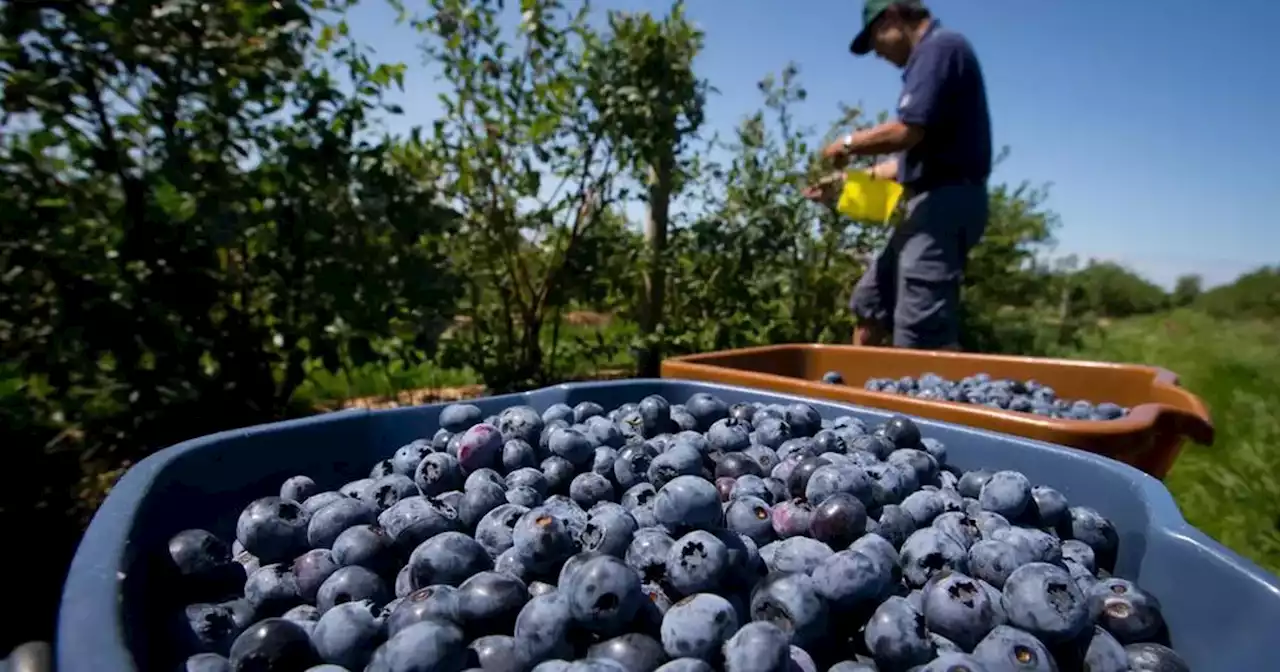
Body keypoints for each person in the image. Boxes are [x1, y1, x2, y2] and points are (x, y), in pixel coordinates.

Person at [805, 0, 991, 350]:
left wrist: (847, 143)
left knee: (921, 329)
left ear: (891, 17)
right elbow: (906, 163)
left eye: (874, 40)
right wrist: (846, 185)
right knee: (870, 302)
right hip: (930, 201)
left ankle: (925, 398)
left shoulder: (940, 48)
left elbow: (907, 131)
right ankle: (861, 395)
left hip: (946, 203)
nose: (877, 53)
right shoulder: (933, 55)